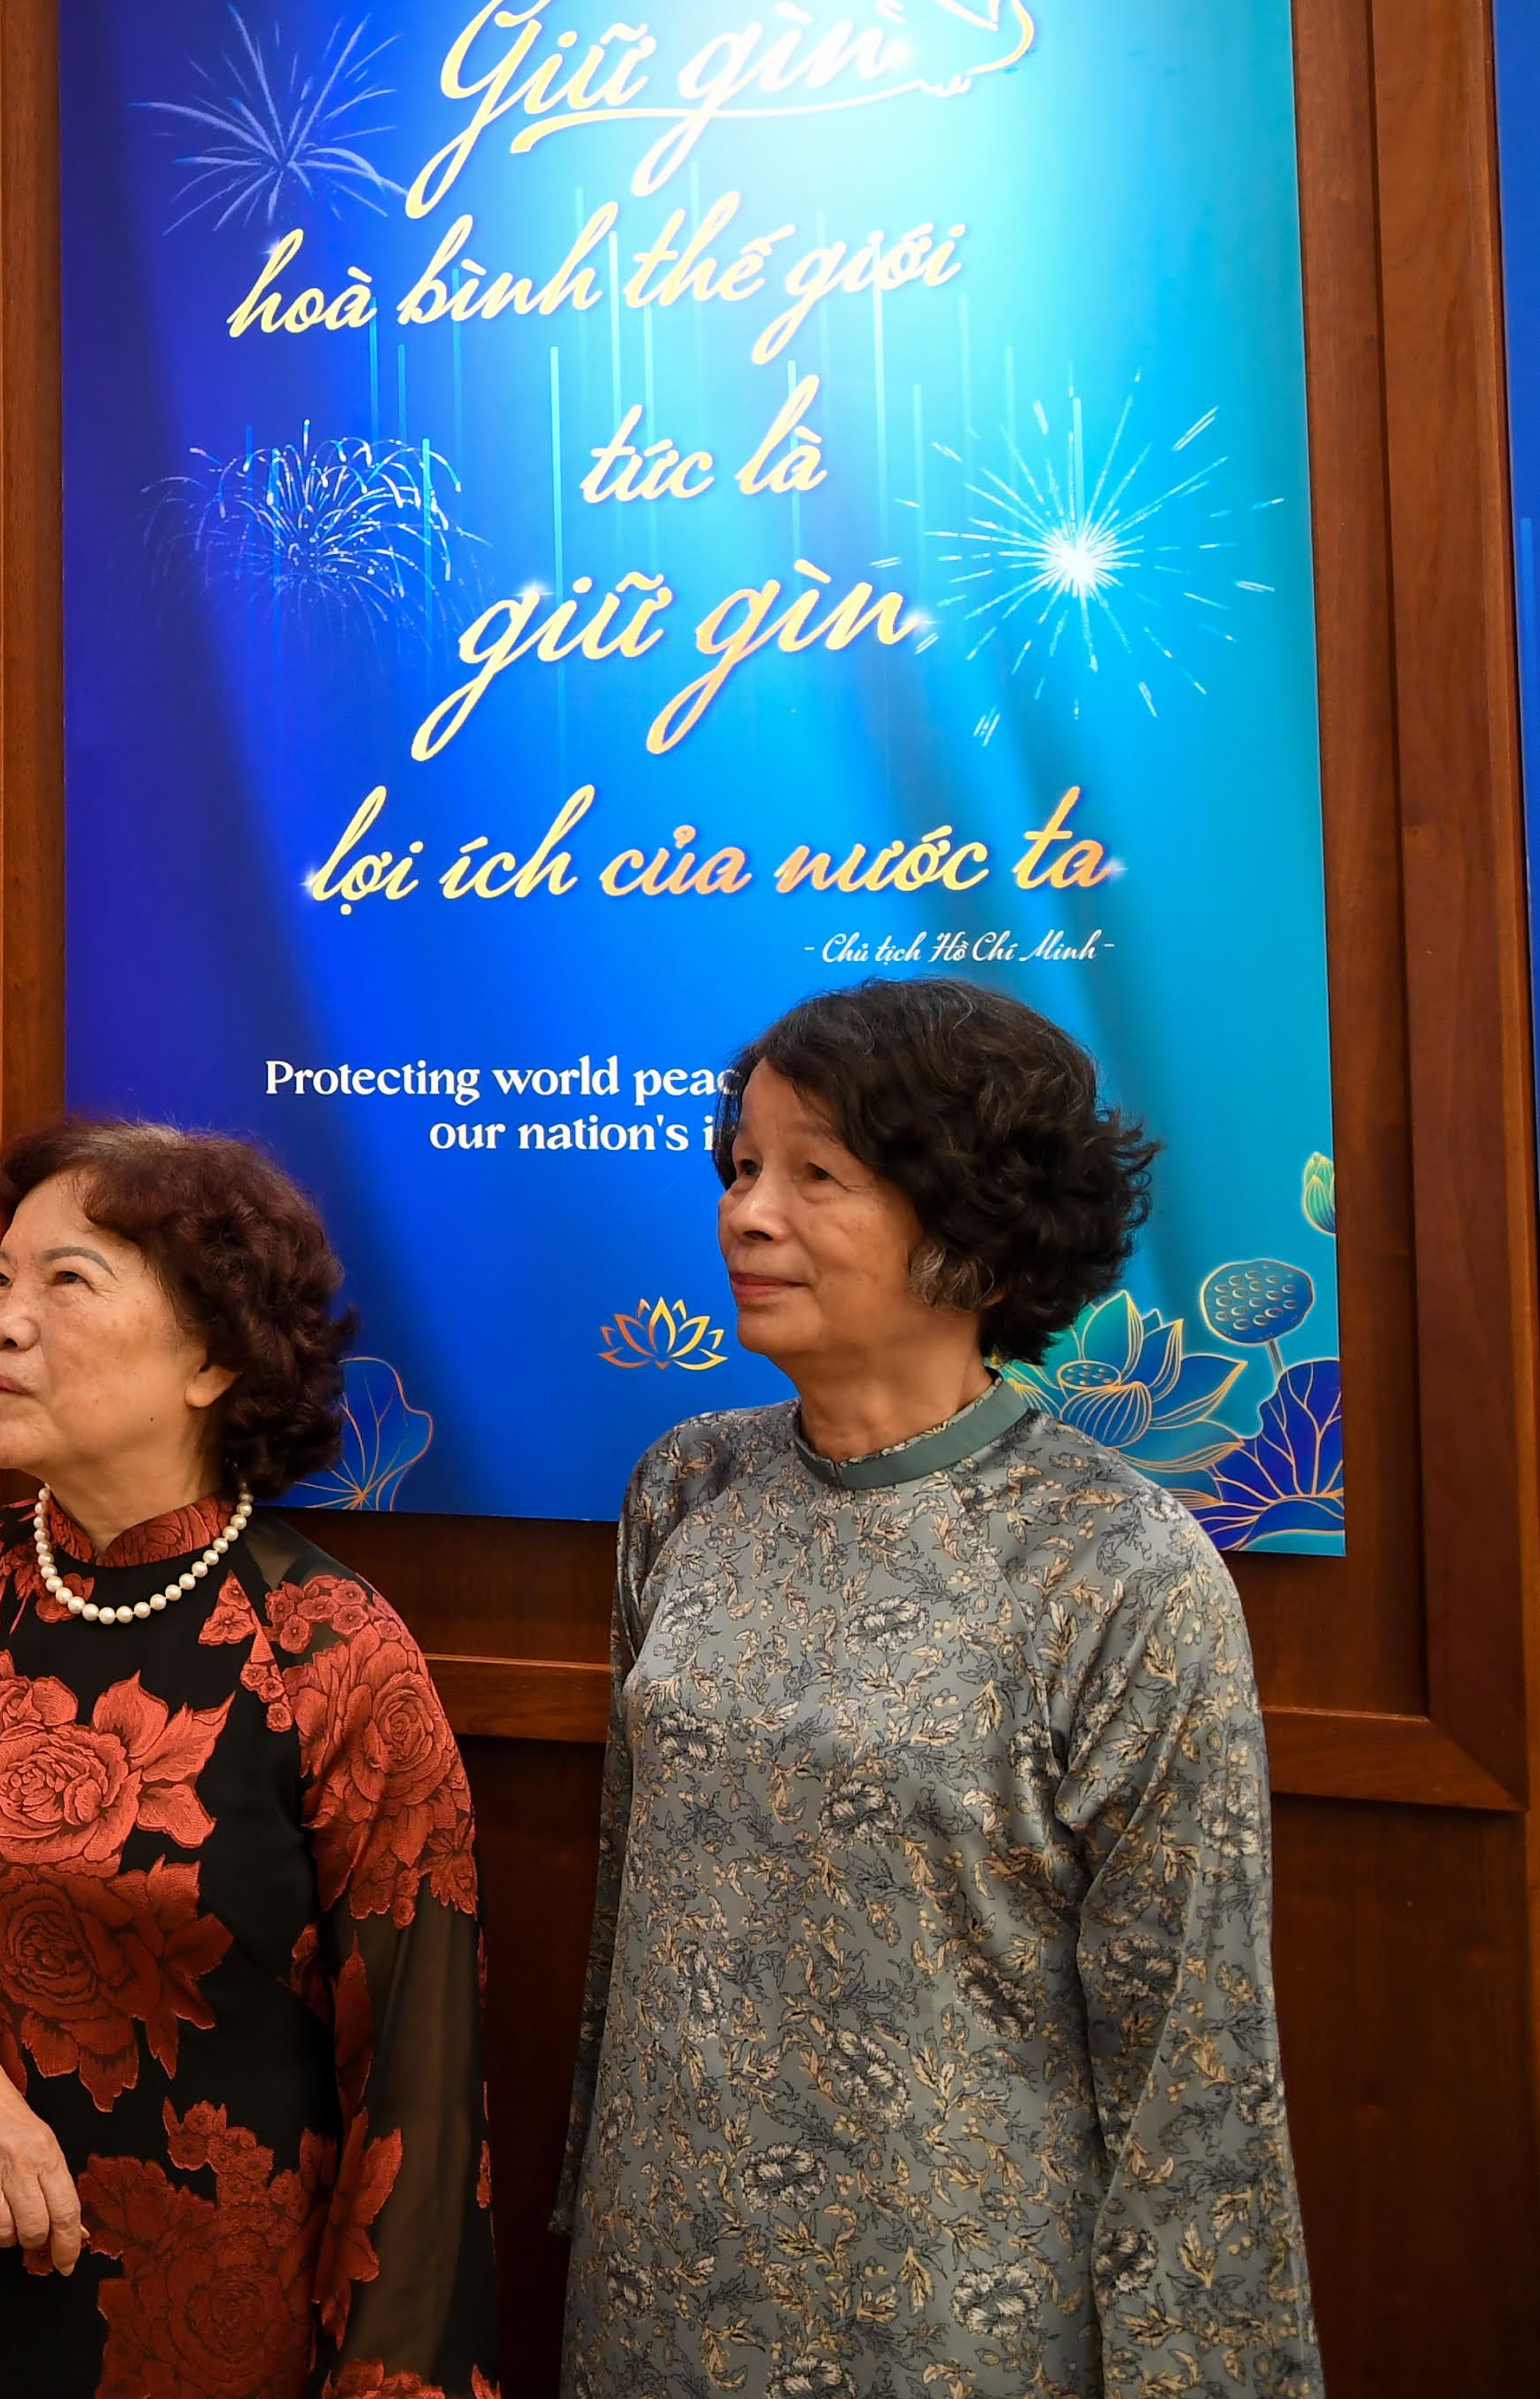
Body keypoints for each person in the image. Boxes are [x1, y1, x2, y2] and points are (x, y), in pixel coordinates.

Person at [561, 981, 1317, 2392]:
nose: (744, 1212)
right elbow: (627, 1899)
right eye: (738, 1166)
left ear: (968, 1228)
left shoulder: (1116, 1570)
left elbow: (1189, 2056)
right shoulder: (688, 1486)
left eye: (815, 1175)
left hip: (952, 2305)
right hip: (654, 2273)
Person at [0, 1118, 494, 2396]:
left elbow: (417, 2108)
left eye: (65, 1282)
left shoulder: (328, 1655)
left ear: (212, 1357)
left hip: (211, 2339)